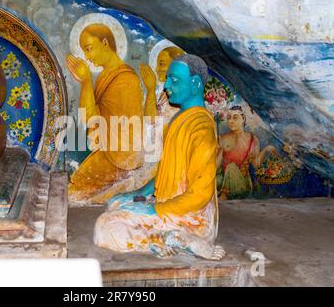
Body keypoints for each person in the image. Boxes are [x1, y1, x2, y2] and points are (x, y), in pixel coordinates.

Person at [93, 54, 226, 260]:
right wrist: (138, 193)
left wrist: (154, 210)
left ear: (195, 84)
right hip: (170, 203)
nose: (166, 86)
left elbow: (199, 196)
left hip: (190, 217)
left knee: (104, 226)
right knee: (116, 204)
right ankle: (165, 238)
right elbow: (166, 173)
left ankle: (181, 239)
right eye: (167, 79)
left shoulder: (201, 129)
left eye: (174, 80)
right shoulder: (181, 118)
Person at [67, 24, 144, 204]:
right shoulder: (105, 76)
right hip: (108, 150)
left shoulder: (125, 79)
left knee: (75, 191)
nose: (87, 56)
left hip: (120, 157)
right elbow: (91, 118)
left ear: (104, 43)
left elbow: (122, 133)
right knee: (75, 187)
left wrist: (86, 81)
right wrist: (86, 82)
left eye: (89, 49)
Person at [217, 106, 277, 200]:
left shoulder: (253, 139)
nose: (231, 121)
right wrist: (219, 150)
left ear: (243, 119)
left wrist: (266, 149)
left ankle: (223, 196)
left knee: (231, 167)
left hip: (242, 184)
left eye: (235, 118)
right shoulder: (222, 138)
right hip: (223, 180)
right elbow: (216, 166)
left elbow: (256, 165)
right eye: (229, 118)